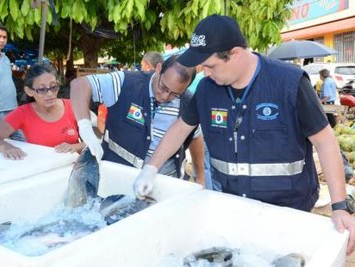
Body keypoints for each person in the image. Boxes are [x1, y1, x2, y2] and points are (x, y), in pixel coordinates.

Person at [133, 15, 355, 254]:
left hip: (289, 213)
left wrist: (339, 206)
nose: (205, 74)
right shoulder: (208, 90)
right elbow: (180, 128)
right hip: (233, 209)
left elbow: (326, 143)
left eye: (210, 65)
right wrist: (150, 168)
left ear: (235, 54)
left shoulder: (288, 83)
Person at [70, 55, 205, 184]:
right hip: (117, 178)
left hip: (163, 183)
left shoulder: (188, 103)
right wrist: (85, 126)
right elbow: (80, 85)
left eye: (175, 94)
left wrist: (199, 177)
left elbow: (195, 135)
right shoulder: (126, 83)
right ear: (158, 68)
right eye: (163, 87)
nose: (164, 96)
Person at [0, 64, 84, 160]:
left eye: (53, 87)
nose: (49, 94)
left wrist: (75, 146)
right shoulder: (23, 113)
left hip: (76, 168)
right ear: (29, 91)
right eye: (42, 89)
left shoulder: (73, 106)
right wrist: (7, 148)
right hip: (45, 169)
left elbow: (96, 141)